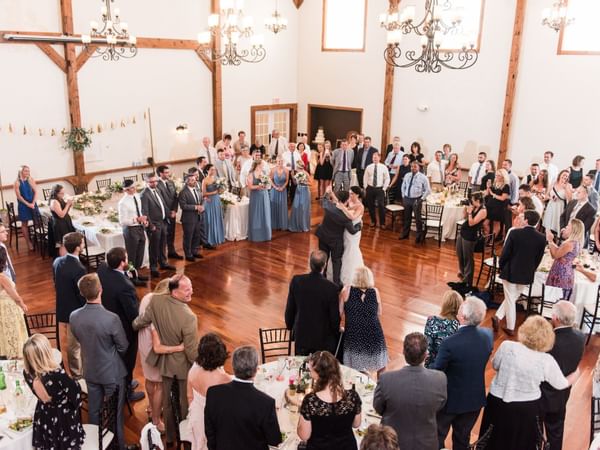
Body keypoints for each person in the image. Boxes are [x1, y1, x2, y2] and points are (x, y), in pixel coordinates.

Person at [479, 315, 580, 450]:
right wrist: (576, 374)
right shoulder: (545, 360)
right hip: (526, 407)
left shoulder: (506, 346)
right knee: (520, 443)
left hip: (497, 402)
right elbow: (560, 384)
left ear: (524, 330)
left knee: (492, 439)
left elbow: (495, 366)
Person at [133, 274, 199, 446]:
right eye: (187, 289)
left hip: (164, 364)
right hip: (182, 366)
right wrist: (201, 366)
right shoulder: (189, 317)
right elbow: (191, 352)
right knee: (184, 403)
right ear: (174, 292)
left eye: (191, 287)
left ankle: (170, 437)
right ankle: (186, 440)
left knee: (168, 403)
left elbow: (139, 322)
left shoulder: (155, 302)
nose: (191, 291)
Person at [70, 273, 130, 450]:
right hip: (112, 373)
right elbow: (123, 346)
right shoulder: (111, 318)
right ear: (100, 290)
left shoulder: (74, 316)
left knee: (94, 412)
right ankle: (120, 446)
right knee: (115, 414)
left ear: (82, 293)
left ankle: (97, 445)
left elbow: (79, 339)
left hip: (90, 370)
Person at [430, 297, 493, 450]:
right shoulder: (488, 336)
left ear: (462, 317)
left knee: (437, 436)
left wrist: (426, 363)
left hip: (449, 400)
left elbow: (436, 370)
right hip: (474, 400)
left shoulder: (450, 343)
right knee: (462, 439)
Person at [373, 332, 447, 450]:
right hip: (426, 443)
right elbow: (440, 405)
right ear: (426, 354)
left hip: (391, 442)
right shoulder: (440, 379)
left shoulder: (386, 379)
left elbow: (378, 407)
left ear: (403, 352)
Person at [205, 345, 282, 450]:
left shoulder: (213, 393)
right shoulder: (266, 403)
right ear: (256, 370)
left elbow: (210, 431)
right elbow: (274, 440)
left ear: (233, 367)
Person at [97, 247, 145, 402]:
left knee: (114, 357)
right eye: (126, 258)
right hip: (123, 328)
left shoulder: (103, 268)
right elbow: (133, 314)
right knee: (128, 360)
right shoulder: (125, 286)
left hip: (105, 319)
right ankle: (127, 392)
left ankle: (120, 384)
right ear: (122, 263)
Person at [138, 279, 185, 432]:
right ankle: (156, 422)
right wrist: (178, 346)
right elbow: (159, 346)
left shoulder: (147, 298)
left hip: (143, 346)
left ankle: (151, 408)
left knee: (149, 379)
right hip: (155, 352)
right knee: (160, 386)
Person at [22, 334, 85, 450]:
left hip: (44, 416)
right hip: (63, 419)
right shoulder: (57, 374)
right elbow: (76, 396)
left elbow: (38, 394)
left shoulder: (27, 374)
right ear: (46, 352)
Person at [540, 301, 585, 450]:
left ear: (555, 318)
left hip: (541, 394)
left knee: (535, 431)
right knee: (556, 432)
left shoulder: (548, 340)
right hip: (562, 394)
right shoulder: (580, 337)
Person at [493, 210, 546, 335]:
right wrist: (531, 270)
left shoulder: (515, 233)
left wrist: (501, 266)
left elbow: (505, 253)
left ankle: (510, 327)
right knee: (512, 297)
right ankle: (498, 316)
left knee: (511, 298)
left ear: (526, 220)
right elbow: (538, 259)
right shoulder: (542, 238)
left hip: (511, 271)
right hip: (527, 273)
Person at [297, 351, 362, 450]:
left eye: (311, 371)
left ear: (318, 374)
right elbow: (356, 424)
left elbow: (304, 436)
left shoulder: (310, 401)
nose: (310, 373)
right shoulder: (352, 396)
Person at [285, 250, 341, 356]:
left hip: (302, 335)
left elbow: (290, 309)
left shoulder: (297, 281)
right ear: (325, 265)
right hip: (322, 339)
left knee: (301, 368)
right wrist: (336, 334)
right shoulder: (332, 288)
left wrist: (290, 326)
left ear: (310, 263)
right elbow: (334, 318)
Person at [186, 333, 232, 450]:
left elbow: (189, 396)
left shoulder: (193, 370)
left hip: (197, 418)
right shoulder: (224, 378)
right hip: (215, 423)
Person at [340, 266, 388, 376]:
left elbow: (339, 313)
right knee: (381, 365)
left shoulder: (346, 290)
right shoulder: (375, 292)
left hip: (354, 334)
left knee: (355, 367)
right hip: (374, 334)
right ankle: (380, 388)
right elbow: (379, 312)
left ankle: (363, 378)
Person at [53, 231, 86, 379]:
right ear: (78, 248)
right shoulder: (79, 269)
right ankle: (77, 375)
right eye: (83, 242)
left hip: (62, 306)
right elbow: (81, 293)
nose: (84, 244)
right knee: (74, 346)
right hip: (75, 310)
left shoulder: (57, 261)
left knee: (67, 342)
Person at [315, 188, 361, 286]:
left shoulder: (329, 206)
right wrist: (358, 226)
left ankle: (321, 277)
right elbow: (352, 231)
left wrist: (327, 192)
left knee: (323, 258)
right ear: (347, 200)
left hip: (323, 237)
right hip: (335, 242)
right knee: (336, 261)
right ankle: (336, 284)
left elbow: (324, 200)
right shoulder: (345, 217)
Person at [141, 174, 176, 278]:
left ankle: (163, 263)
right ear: (146, 182)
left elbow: (163, 205)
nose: (154, 183)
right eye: (151, 182)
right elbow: (145, 212)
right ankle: (153, 268)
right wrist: (151, 226)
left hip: (163, 222)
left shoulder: (158, 190)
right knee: (154, 247)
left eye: (155, 181)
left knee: (163, 244)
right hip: (154, 224)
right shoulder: (144, 195)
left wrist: (169, 213)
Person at [118, 178, 148, 285]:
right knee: (131, 255)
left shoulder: (137, 196)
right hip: (130, 230)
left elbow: (139, 211)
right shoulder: (123, 203)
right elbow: (122, 221)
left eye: (134, 187)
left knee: (140, 252)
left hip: (139, 228)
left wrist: (143, 221)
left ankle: (137, 273)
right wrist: (136, 220)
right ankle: (131, 277)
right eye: (131, 188)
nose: (134, 189)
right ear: (126, 190)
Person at [546, 218, 584, 300]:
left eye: (568, 226)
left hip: (561, 273)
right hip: (565, 271)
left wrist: (550, 241)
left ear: (573, 230)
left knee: (556, 298)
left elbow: (555, 255)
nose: (565, 227)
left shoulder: (569, 244)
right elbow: (558, 252)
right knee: (558, 299)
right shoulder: (574, 242)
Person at [0, 245, 28, 358]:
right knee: (15, 335)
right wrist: (22, 304)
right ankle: (16, 357)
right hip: (8, 309)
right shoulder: (2, 278)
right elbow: (14, 295)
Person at [455, 191, 487, 289]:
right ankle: (462, 273)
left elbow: (471, 223)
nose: (471, 202)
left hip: (470, 236)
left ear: (478, 201)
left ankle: (468, 280)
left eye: (472, 200)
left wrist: (470, 213)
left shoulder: (483, 211)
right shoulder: (474, 207)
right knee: (459, 254)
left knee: (468, 258)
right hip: (463, 232)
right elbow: (464, 217)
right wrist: (466, 210)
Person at [423, 290, 461, 368]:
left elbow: (427, 346)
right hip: (449, 367)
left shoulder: (431, 320)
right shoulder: (458, 326)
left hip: (432, 365)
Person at [399, 161, 431, 243]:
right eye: (412, 166)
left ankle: (419, 236)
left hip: (417, 199)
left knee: (417, 218)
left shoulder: (423, 177)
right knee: (406, 218)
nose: (413, 168)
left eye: (415, 167)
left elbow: (428, 190)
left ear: (418, 167)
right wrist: (403, 196)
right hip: (407, 198)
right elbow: (403, 186)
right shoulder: (407, 175)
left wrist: (421, 199)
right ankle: (405, 234)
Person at [156, 165, 183, 260]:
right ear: (160, 173)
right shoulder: (157, 185)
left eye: (168, 172)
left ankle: (171, 251)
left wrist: (174, 210)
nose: (168, 174)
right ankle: (161, 257)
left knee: (171, 233)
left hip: (172, 213)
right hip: (163, 215)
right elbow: (160, 201)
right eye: (166, 172)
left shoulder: (171, 182)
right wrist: (168, 213)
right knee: (163, 237)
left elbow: (175, 197)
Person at [178, 172, 206, 261]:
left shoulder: (197, 189)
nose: (194, 181)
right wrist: (196, 207)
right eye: (191, 180)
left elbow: (201, 200)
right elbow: (183, 206)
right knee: (188, 237)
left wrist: (202, 206)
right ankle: (188, 254)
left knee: (196, 235)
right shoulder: (183, 192)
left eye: (194, 180)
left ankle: (194, 251)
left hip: (198, 217)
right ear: (187, 182)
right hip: (188, 219)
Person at [363, 151, 390, 229]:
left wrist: (384, 188)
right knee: (371, 206)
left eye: (376, 157)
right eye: (373, 157)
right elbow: (365, 178)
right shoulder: (369, 167)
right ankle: (373, 221)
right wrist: (365, 187)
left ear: (379, 158)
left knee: (381, 206)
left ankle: (382, 223)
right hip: (370, 188)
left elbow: (387, 178)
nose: (375, 159)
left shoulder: (383, 167)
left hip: (380, 189)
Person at [247, 159, 272, 242]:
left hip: (264, 195)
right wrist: (258, 186)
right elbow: (250, 187)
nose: (263, 165)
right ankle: (256, 235)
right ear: (258, 165)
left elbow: (268, 183)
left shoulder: (263, 173)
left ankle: (265, 234)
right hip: (255, 196)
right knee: (256, 214)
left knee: (264, 213)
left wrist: (266, 185)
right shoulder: (251, 174)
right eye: (262, 164)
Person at [13, 165, 37, 251]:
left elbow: (35, 192)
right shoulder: (17, 182)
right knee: (24, 224)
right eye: (25, 171)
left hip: (32, 203)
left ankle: (37, 238)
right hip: (23, 205)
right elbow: (19, 197)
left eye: (28, 171)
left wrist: (33, 203)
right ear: (21, 172)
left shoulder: (30, 179)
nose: (27, 173)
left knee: (37, 220)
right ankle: (28, 242)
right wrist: (28, 204)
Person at [202, 165, 225, 246]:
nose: (213, 171)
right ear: (207, 170)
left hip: (216, 200)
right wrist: (213, 193)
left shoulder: (216, 179)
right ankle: (209, 239)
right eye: (211, 170)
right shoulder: (205, 180)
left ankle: (218, 237)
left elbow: (220, 190)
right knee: (210, 220)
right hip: (209, 201)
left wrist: (221, 189)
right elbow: (203, 193)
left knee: (217, 217)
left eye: (214, 169)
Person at [48, 184, 75, 256]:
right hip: (60, 225)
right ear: (56, 193)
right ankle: (63, 260)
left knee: (66, 243)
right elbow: (61, 215)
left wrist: (69, 205)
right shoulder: (54, 201)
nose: (63, 195)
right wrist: (67, 205)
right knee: (63, 244)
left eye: (64, 193)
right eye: (61, 193)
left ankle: (67, 258)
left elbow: (65, 211)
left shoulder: (59, 198)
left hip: (64, 223)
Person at [543, 169, 572, 234]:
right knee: (548, 226)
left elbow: (569, 200)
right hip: (551, 205)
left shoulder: (568, 186)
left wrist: (566, 188)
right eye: (564, 175)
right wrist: (551, 198)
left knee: (557, 226)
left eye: (567, 176)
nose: (565, 177)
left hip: (560, 207)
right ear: (560, 175)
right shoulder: (553, 183)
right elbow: (546, 195)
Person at [484, 169, 510, 240]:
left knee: (496, 224)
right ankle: (486, 238)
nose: (497, 177)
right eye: (496, 175)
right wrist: (488, 187)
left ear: (503, 176)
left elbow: (503, 198)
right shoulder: (494, 183)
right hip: (490, 206)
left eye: (499, 175)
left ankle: (491, 241)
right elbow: (487, 194)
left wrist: (493, 194)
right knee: (485, 223)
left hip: (498, 207)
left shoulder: (506, 186)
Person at [289, 161, 311, 232]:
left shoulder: (306, 173)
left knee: (304, 208)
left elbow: (310, 183)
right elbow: (295, 183)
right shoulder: (297, 174)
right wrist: (292, 177)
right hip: (298, 191)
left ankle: (303, 225)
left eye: (298, 167)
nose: (297, 168)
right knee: (297, 207)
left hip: (305, 191)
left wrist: (304, 182)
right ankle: (296, 224)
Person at [269, 157, 289, 230]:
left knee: (282, 206)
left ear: (283, 162)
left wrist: (283, 187)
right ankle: (274, 224)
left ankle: (282, 224)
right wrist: (275, 187)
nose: (280, 162)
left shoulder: (286, 170)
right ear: (276, 162)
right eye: (278, 161)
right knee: (274, 206)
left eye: (281, 161)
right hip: (275, 190)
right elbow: (270, 180)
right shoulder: (273, 170)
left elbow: (287, 181)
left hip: (283, 190)